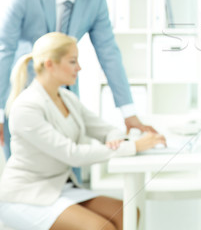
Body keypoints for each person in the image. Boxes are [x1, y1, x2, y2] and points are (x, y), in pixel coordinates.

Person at [0, 0, 155, 159]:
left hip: (65, 92)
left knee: (70, 163)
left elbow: (108, 52)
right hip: (21, 89)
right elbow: (4, 48)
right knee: (27, 160)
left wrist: (128, 113)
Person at [0, 32, 165, 230]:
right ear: (50, 64)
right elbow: (72, 154)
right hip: (26, 195)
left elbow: (107, 130)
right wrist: (132, 147)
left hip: (60, 187)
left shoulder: (66, 98)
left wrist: (116, 139)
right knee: (101, 227)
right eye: (73, 61)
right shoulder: (26, 107)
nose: (79, 68)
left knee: (126, 213)